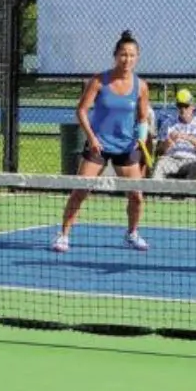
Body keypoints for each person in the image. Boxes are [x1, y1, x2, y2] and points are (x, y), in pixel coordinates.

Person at [51, 30, 152, 254]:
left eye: (132, 55)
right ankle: (63, 235)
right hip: (98, 145)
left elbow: (143, 117)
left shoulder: (141, 86)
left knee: (136, 196)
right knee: (80, 190)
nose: (127, 59)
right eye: (123, 54)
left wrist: (141, 139)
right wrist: (92, 138)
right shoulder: (99, 81)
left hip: (126, 146)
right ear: (115, 55)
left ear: (137, 58)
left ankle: (132, 234)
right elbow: (81, 111)